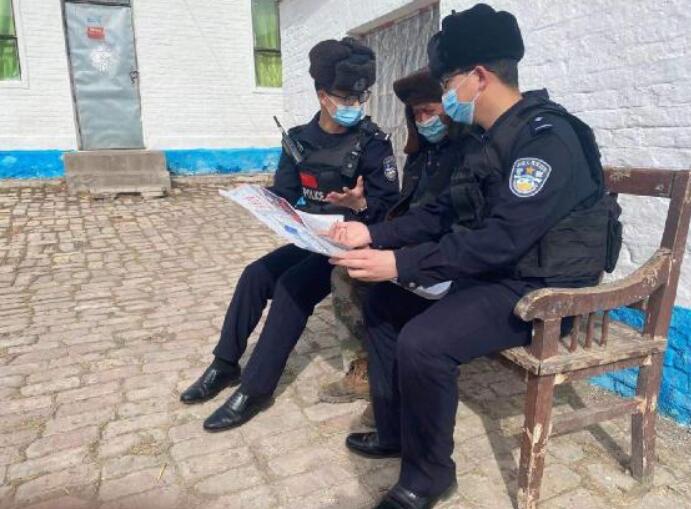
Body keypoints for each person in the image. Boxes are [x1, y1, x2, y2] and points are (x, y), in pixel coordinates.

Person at [326, 4, 621, 508]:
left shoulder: (546, 140)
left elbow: (501, 239)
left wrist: (400, 263)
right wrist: (371, 233)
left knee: (425, 342)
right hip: (499, 273)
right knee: (384, 305)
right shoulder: (489, 139)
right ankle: (395, 432)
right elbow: (444, 211)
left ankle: (429, 475)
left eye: (447, 84)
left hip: (544, 291)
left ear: (478, 77)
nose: (445, 97)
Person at [179, 37, 400, 432]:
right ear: (322, 96)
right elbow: (283, 193)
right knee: (254, 275)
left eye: (360, 97)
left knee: (291, 288)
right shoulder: (298, 140)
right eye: (345, 97)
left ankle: (255, 388)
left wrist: (360, 205)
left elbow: (390, 210)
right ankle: (224, 364)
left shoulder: (373, 143)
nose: (354, 104)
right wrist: (262, 203)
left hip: (350, 243)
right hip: (312, 237)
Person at [319, 69, 464, 427]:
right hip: (418, 238)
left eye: (430, 110)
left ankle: (396, 384)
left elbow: (447, 217)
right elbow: (404, 209)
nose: (424, 120)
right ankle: (365, 369)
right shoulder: (421, 154)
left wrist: (391, 245)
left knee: (386, 285)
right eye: (417, 113)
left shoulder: (467, 153)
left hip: (449, 249)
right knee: (348, 270)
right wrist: (363, 213)